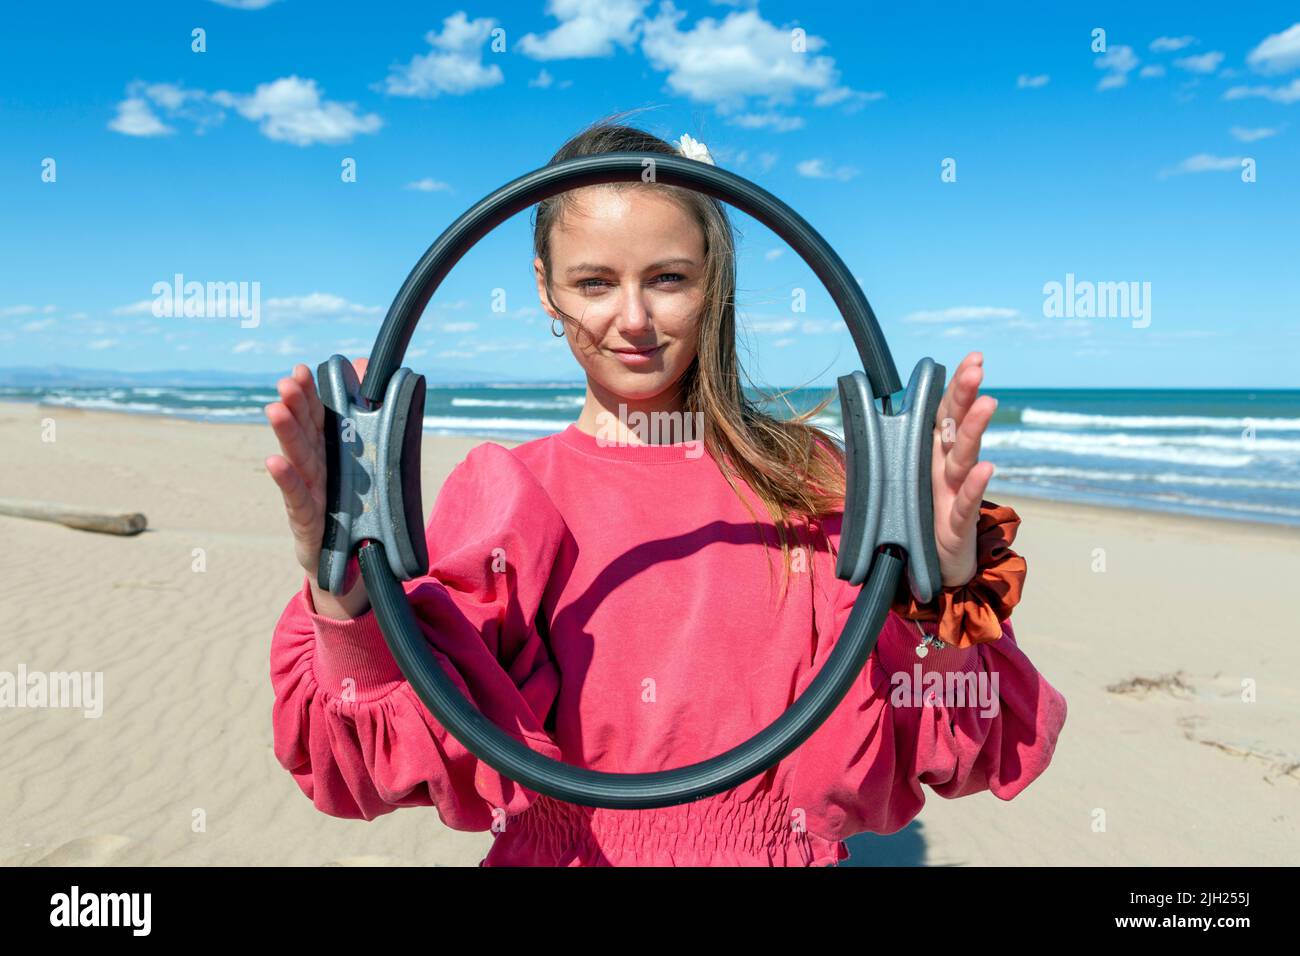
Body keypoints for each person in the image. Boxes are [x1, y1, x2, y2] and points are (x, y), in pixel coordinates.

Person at [262, 115, 1068, 866]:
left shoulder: (814, 485)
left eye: (669, 277)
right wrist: (345, 598)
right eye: (594, 283)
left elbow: (970, 746)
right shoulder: (512, 495)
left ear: (712, 279)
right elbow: (370, 771)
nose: (635, 317)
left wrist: (947, 589)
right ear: (545, 288)